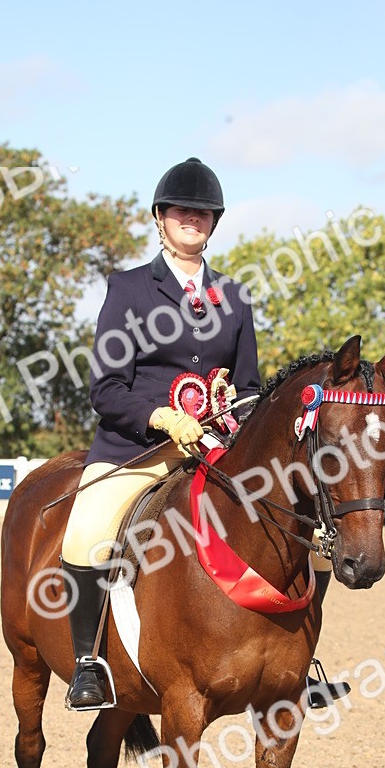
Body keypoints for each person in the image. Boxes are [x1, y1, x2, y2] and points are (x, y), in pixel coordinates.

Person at [60, 157, 261, 709]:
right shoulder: (127, 290)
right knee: (87, 532)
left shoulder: (235, 298)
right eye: (181, 212)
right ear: (160, 218)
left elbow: (250, 387)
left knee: (299, 521)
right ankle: (87, 665)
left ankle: (298, 663)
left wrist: (233, 417)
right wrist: (162, 417)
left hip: (216, 449)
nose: (191, 220)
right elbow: (106, 387)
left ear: (213, 222)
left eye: (202, 213)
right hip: (139, 449)